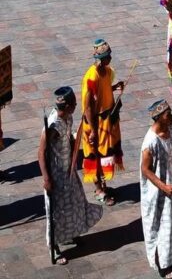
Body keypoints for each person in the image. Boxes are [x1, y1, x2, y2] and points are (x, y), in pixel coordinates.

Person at [39, 86, 103, 265]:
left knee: (75, 203)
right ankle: (54, 246)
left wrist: (83, 138)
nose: (76, 106)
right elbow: (41, 152)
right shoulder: (52, 125)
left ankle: (71, 233)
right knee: (57, 211)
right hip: (56, 174)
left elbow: (69, 139)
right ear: (65, 106)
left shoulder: (68, 116)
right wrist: (46, 179)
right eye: (73, 104)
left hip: (69, 169)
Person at [140, 98, 172, 278]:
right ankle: (163, 265)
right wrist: (164, 187)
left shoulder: (171, 130)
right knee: (160, 226)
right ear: (159, 118)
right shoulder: (150, 142)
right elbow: (145, 170)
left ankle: (170, 258)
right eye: (168, 115)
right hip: (158, 190)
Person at [80, 39, 126, 203]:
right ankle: (99, 189)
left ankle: (104, 185)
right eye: (107, 56)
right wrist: (93, 130)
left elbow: (103, 90)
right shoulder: (91, 77)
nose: (110, 59)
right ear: (100, 59)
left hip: (106, 121)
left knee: (105, 154)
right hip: (95, 123)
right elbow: (88, 107)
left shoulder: (106, 71)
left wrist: (115, 88)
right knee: (95, 155)